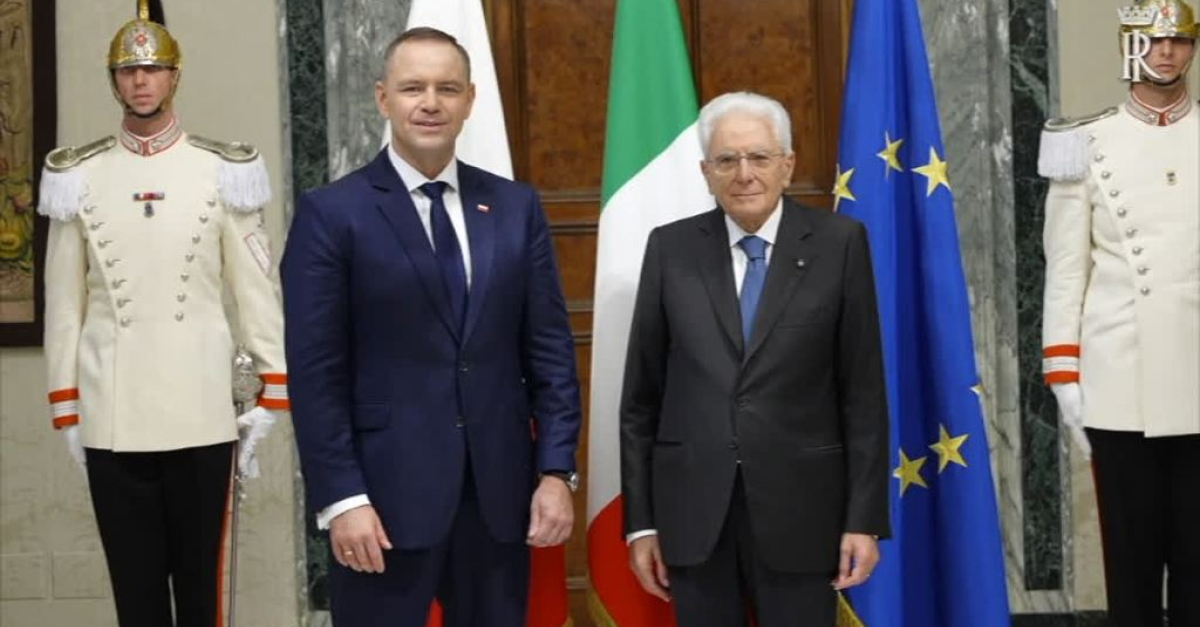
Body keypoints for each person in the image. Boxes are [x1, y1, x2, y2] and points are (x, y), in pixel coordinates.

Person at [281, 27, 581, 627]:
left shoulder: (515, 208)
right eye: (413, 87)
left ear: (470, 100)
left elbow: (550, 352)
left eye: (447, 88)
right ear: (383, 98)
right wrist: (343, 498)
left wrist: (555, 471)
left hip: (499, 503)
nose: (430, 103)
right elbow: (316, 376)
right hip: (380, 506)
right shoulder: (331, 214)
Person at [36, 1, 288, 625]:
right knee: (136, 597)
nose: (140, 81)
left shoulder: (222, 170)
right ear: (113, 80)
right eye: (128, 70)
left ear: (175, 75)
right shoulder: (77, 175)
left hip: (202, 414)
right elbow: (64, 304)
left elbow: (256, 291)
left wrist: (271, 394)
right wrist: (66, 407)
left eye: (152, 69)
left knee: (201, 595)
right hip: (112, 416)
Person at [619, 91, 890, 627]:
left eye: (759, 157)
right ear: (706, 172)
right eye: (727, 160)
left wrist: (863, 520)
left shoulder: (839, 244)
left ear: (787, 165)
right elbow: (640, 400)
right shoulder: (670, 249)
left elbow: (863, 394)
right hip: (693, 514)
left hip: (805, 511)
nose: (744, 174)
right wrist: (641, 523)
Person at [1039, 1, 1200, 624]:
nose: (1167, 52)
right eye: (1152, 40)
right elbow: (1066, 270)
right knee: (1131, 571)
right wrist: (1064, 373)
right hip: (1120, 380)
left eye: (1179, 40)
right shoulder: (1084, 142)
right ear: (1128, 46)